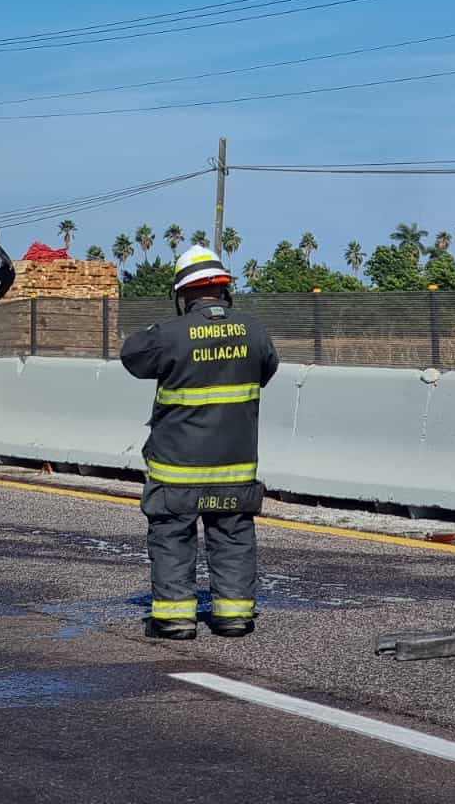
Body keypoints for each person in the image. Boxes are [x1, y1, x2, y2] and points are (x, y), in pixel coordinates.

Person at [121, 245, 279, 640]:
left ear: (183, 294)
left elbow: (132, 356)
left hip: (178, 467)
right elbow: (267, 370)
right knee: (233, 534)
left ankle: (175, 619)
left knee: (172, 535)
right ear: (225, 290)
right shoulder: (254, 331)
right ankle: (234, 616)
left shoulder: (170, 335)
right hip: (235, 465)